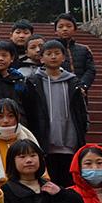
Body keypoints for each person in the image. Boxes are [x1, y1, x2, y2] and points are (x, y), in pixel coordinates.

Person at [24, 40, 88, 186]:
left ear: (63, 57)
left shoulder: (73, 82)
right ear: (41, 58)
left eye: (57, 53)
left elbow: (81, 111)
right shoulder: (33, 82)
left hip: (70, 142)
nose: (53, 57)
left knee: (69, 185)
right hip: (44, 142)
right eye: (49, 53)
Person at [0, 99, 39, 184]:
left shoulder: (28, 138)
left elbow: (42, 172)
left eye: (11, 116)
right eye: (0, 116)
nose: (6, 120)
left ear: (18, 117)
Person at [54, 12, 97, 92]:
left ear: (74, 29)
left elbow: (90, 70)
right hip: (58, 89)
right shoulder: (51, 50)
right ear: (55, 31)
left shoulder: (84, 49)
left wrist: (82, 86)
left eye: (69, 26)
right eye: (60, 27)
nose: (65, 29)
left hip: (80, 91)